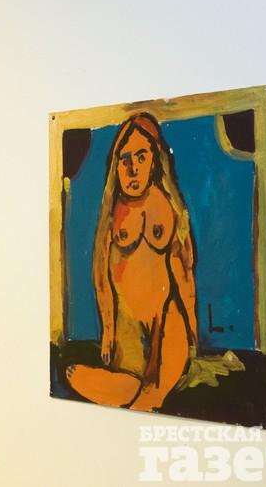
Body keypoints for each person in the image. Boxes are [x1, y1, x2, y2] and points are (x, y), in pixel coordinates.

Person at [66, 113, 197, 411]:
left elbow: (184, 269)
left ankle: (149, 394)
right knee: (130, 383)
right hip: (128, 324)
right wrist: (108, 330)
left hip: (166, 316)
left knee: (156, 388)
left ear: (155, 160)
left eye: (140, 157)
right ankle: (125, 389)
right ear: (116, 165)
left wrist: (192, 327)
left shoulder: (170, 206)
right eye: (125, 159)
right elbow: (101, 275)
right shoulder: (112, 214)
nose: (132, 168)